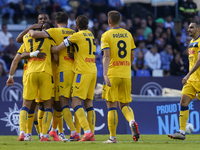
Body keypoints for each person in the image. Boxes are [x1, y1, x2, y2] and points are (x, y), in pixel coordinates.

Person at [29, 11, 80, 141]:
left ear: (55, 23)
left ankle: (50, 132)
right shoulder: (73, 33)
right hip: (72, 70)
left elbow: (35, 35)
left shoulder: (53, 31)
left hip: (58, 70)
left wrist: (30, 29)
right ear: (68, 22)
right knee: (59, 104)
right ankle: (52, 131)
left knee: (51, 104)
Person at [51, 15, 97, 141]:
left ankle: (86, 132)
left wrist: (49, 49)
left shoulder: (76, 36)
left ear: (76, 26)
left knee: (75, 102)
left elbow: (58, 48)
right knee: (89, 103)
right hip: (93, 70)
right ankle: (91, 133)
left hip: (82, 71)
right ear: (88, 25)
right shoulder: (91, 35)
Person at [101, 10, 140, 143]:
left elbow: (106, 56)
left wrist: (105, 74)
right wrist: (126, 67)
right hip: (126, 74)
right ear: (120, 20)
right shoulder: (128, 34)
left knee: (111, 105)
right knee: (124, 104)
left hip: (113, 74)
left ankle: (112, 138)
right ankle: (132, 121)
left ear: (109, 21)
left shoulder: (106, 35)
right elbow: (133, 55)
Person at [168, 20, 200, 140]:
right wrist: (189, 76)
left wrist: (187, 74)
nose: (188, 29)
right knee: (183, 102)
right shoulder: (192, 42)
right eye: (188, 27)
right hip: (192, 80)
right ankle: (181, 132)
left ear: (199, 29)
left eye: (191, 27)